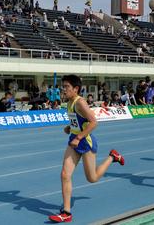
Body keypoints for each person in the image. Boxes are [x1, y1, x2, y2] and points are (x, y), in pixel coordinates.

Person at [48, 75, 124, 223]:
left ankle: (112, 157)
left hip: (85, 142)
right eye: (63, 87)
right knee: (65, 174)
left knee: (92, 178)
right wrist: (70, 127)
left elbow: (94, 122)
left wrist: (78, 137)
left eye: (66, 87)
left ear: (76, 89)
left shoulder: (80, 102)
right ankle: (66, 212)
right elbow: (79, 121)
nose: (63, 90)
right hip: (74, 141)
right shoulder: (69, 102)